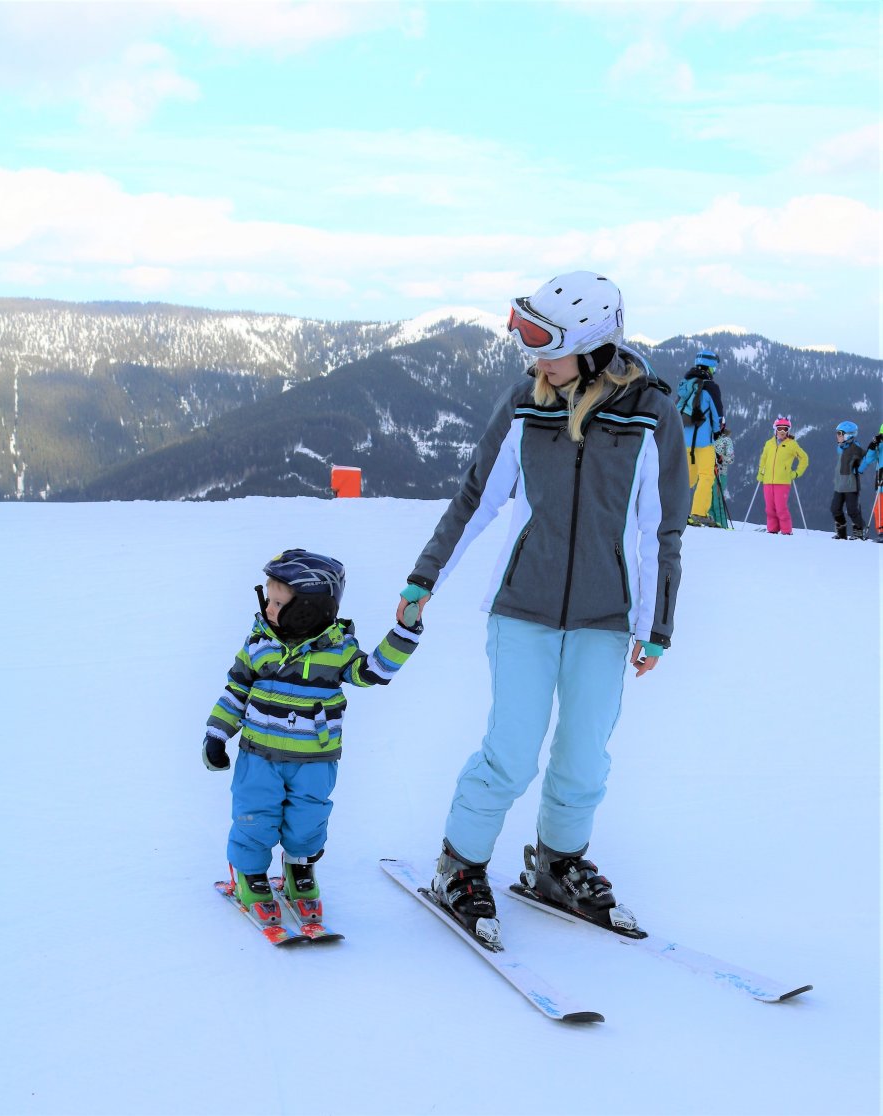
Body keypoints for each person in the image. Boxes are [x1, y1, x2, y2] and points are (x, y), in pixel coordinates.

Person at [396, 270, 690, 947]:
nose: (534, 360)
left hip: (605, 620)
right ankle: (459, 866)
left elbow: (659, 529)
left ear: (592, 346)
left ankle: (559, 865)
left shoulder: (651, 413)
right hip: (522, 609)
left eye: (546, 345)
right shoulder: (525, 407)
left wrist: (657, 625)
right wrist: (424, 577)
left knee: (585, 755)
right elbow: (476, 499)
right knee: (511, 751)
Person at [204, 548, 422, 923]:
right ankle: (251, 874)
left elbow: (374, 672)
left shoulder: (337, 650)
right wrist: (216, 734)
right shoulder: (259, 644)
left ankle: (299, 869)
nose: (268, 609)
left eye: (277, 602)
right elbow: (235, 691)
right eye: (268, 600)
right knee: (254, 817)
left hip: (315, 761)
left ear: (308, 608)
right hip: (259, 759)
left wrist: (403, 632)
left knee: (309, 820)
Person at [676, 350, 724, 526]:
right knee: (706, 476)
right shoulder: (711, 387)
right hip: (703, 441)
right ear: (712, 367)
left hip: (684, 438)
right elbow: (718, 414)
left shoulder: (687, 383)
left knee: (687, 477)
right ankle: (698, 513)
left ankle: (674, 509)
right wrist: (718, 432)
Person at [755, 416, 809, 535]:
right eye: (780, 429)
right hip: (768, 481)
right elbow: (763, 459)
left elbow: (804, 458)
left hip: (783, 481)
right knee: (769, 508)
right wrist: (760, 472)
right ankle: (772, 529)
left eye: (785, 429)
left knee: (781, 508)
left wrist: (796, 473)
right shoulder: (769, 443)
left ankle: (786, 531)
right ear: (775, 430)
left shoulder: (792, 444)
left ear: (788, 431)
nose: (782, 432)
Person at [830, 422, 867, 540]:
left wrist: (859, 469)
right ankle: (841, 533)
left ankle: (860, 532)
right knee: (835, 508)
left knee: (852, 510)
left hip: (851, 485)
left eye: (840, 433)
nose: (837, 436)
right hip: (839, 485)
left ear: (849, 435)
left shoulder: (856, 449)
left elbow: (867, 457)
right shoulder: (840, 447)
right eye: (837, 433)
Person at [858, 423, 883, 543]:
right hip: (880, 481)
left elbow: (868, 459)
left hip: (880, 479)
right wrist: (873, 445)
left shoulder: (879, 444)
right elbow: (869, 457)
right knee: (879, 507)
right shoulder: (879, 445)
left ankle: (881, 532)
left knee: (880, 507)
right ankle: (881, 532)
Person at [710, 422, 735, 528]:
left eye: (720, 425)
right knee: (707, 502)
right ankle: (710, 524)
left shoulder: (726, 440)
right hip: (705, 474)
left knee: (718, 501)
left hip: (720, 474)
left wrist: (721, 458)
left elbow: (731, 459)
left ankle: (722, 526)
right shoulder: (707, 438)